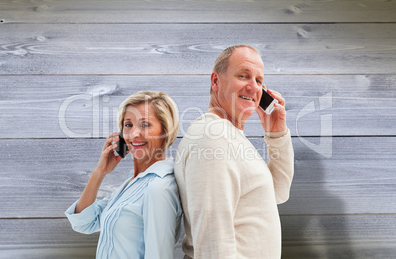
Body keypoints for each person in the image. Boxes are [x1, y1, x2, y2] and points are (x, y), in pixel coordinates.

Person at [174, 45, 294, 258]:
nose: (254, 87)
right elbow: (214, 244)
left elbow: (277, 192)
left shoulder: (230, 135)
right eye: (243, 76)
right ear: (215, 81)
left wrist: (276, 134)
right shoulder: (214, 137)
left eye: (259, 81)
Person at [65, 91, 182, 259]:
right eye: (128, 125)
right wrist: (99, 173)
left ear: (165, 131)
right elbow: (84, 223)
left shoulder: (159, 187)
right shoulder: (133, 183)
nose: (134, 134)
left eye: (145, 125)